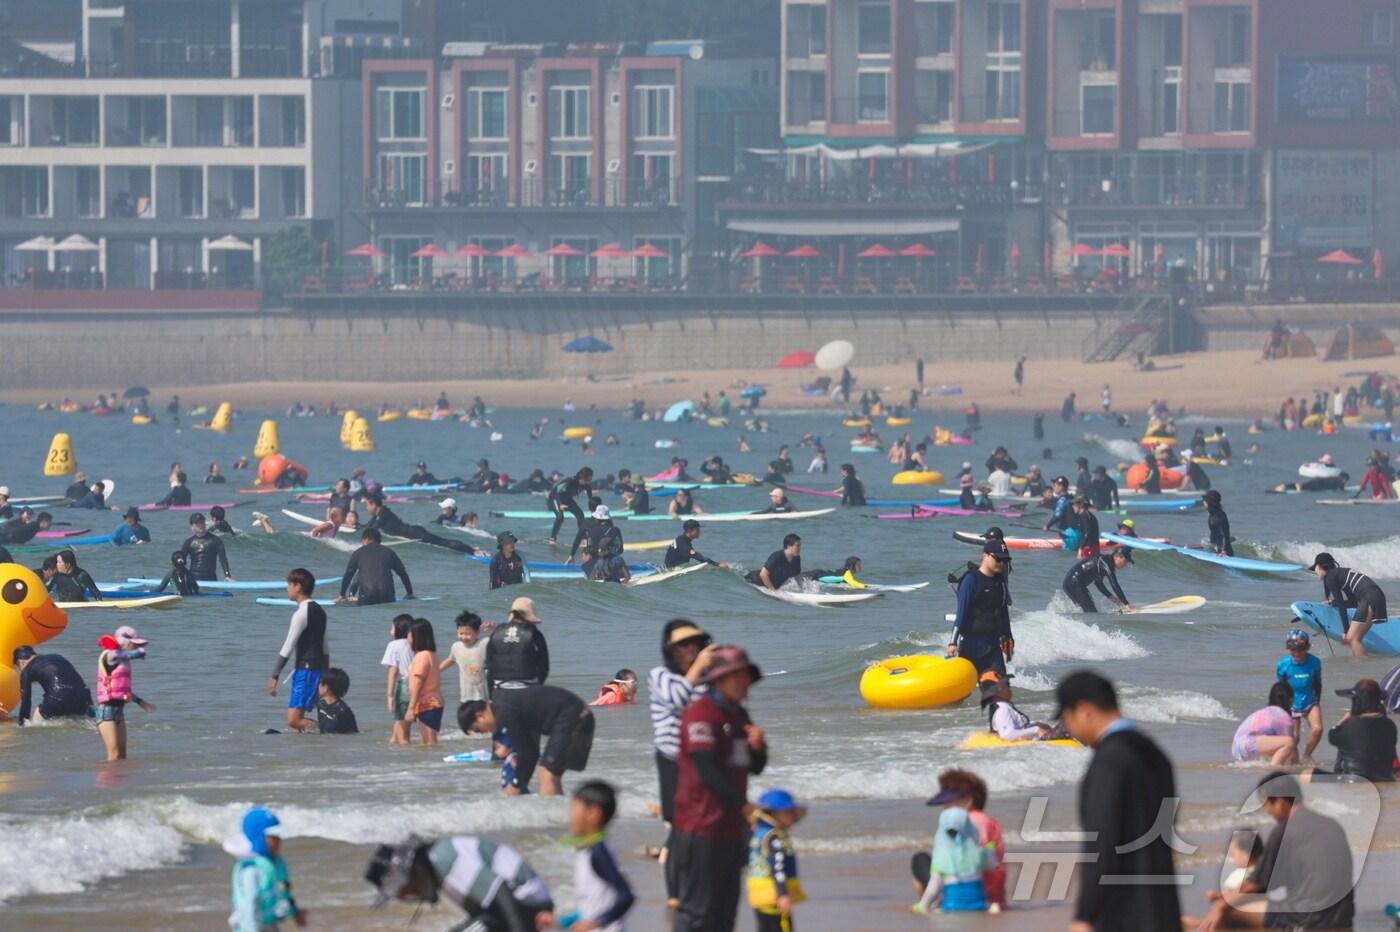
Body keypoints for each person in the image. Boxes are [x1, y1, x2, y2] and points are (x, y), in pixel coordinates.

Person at [1056, 670, 1181, 931]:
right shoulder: (1156, 754)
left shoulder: (1108, 761)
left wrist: (1085, 915)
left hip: (1122, 915)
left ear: (1083, 709)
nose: (1068, 728)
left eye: (1066, 719)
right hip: (1163, 910)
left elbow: (1103, 844)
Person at [672, 646, 767, 932]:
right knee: (697, 913)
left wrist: (759, 747)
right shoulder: (700, 712)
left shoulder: (739, 715)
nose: (744, 683)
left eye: (746, 676)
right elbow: (707, 772)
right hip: (700, 827)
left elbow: (755, 766)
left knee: (725, 914)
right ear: (719, 680)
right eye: (737, 676)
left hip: (731, 830)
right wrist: (744, 805)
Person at [1191, 773, 1354, 930]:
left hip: (1310, 921)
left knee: (1230, 912)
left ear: (1281, 802)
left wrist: (1221, 905)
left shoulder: (1284, 831)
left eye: (1267, 806)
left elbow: (1256, 885)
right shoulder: (1332, 825)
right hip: (1343, 918)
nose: (1269, 813)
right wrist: (1227, 896)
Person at [649, 621, 717, 907]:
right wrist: (699, 667)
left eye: (694, 643)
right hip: (673, 761)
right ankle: (675, 894)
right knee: (678, 827)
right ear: (671, 650)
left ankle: (700, 886)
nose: (690, 649)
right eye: (682, 645)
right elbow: (679, 698)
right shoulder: (660, 675)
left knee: (704, 825)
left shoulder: (707, 679)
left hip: (704, 761)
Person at [364, 834, 554, 929]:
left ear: (412, 872)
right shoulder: (440, 865)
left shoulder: (444, 858)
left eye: (406, 890)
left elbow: (500, 892)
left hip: (526, 906)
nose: (412, 896)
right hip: (512, 910)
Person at [459, 683, 594, 796]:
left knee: (547, 775)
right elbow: (530, 751)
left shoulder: (504, 713)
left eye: (478, 729)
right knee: (550, 775)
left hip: (575, 718)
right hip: (576, 715)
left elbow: (528, 754)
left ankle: (554, 821)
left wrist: (516, 784)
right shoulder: (502, 705)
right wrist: (519, 782)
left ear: (480, 716)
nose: (483, 733)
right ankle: (561, 819)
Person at [917, 769, 1006, 911]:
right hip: (994, 894)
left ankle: (932, 902)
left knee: (919, 860)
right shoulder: (987, 821)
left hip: (976, 890)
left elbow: (970, 858)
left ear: (967, 801)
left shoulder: (972, 822)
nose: (944, 808)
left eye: (947, 804)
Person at [565, 781, 636, 932]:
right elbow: (589, 905)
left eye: (575, 808)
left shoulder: (598, 853)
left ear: (593, 814)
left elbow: (626, 896)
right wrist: (561, 921)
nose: (570, 814)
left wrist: (598, 922)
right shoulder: (588, 850)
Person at [266, 569, 328, 735]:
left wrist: (274, 676)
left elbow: (288, 646)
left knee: (294, 720)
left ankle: (330, 731)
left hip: (306, 671)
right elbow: (325, 645)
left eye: (289, 585)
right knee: (299, 722)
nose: (287, 589)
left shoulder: (301, 614)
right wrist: (325, 672)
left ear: (298, 587)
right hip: (317, 668)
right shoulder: (320, 610)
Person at [225, 807, 304, 932]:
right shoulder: (251, 871)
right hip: (249, 926)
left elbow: (285, 889)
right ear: (258, 838)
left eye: (279, 836)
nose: (279, 841)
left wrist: (294, 912)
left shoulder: (277, 863)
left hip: (269, 924)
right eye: (273, 837)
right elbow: (249, 907)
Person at [949, 541, 1015, 677]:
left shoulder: (1000, 582)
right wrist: (952, 642)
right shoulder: (970, 580)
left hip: (993, 645)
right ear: (984, 555)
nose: (1001, 563)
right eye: (998, 558)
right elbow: (961, 613)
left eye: (1004, 560)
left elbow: (1003, 611)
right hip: (971, 644)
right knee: (968, 689)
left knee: (1000, 687)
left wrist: (1008, 636)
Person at [912, 806, 990, 914]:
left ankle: (935, 903)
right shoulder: (977, 853)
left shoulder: (941, 859)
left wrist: (923, 905)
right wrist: (988, 852)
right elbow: (991, 866)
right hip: (979, 906)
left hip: (951, 907)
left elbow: (934, 886)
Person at [748, 788, 807, 931]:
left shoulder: (758, 834)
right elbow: (778, 868)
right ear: (774, 814)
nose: (793, 817)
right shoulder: (775, 838)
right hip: (774, 898)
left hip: (760, 897)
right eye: (789, 812)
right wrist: (783, 895)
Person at [1310, 551, 1389, 658]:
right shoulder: (1341, 573)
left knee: (1351, 638)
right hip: (1377, 596)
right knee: (1356, 639)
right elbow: (1353, 603)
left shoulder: (1330, 577)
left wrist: (1345, 631)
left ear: (1319, 566)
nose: (1315, 572)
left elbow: (1342, 605)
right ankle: (1362, 664)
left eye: (1315, 568)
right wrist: (1333, 602)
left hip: (1368, 598)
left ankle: (1360, 667)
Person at [95, 625, 154, 761]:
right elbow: (128, 654)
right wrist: (139, 651)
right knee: (114, 753)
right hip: (105, 712)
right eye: (132, 644)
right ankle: (107, 781)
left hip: (118, 711)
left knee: (122, 755)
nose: (133, 646)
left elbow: (121, 689)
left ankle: (120, 780)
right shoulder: (110, 654)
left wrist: (140, 702)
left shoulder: (124, 661)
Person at [1327, 677, 1397, 782]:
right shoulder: (1390, 725)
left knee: (1308, 774)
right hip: (1385, 780)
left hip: (1352, 782)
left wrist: (1347, 717)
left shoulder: (1349, 726)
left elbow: (1332, 736)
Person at [362, 493, 477, 554]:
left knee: (443, 542)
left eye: (367, 505)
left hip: (415, 533)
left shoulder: (383, 513)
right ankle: (471, 548)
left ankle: (472, 550)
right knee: (443, 541)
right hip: (413, 532)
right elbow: (368, 527)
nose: (366, 508)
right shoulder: (378, 514)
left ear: (374, 505)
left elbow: (373, 530)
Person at [10, 646, 91, 725]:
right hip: (84, 697)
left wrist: (22, 724)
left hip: (58, 697)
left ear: (20, 662)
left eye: (18, 667)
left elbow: (26, 701)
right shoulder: (58, 657)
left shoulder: (26, 670)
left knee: (33, 724)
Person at [1276, 629, 1324, 759]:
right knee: (1294, 738)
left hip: (1310, 701)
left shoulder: (1315, 662)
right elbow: (1280, 687)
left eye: (1300, 649)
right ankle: (1294, 763)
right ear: (1288, 649)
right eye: (1293, 650)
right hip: (1291, 704)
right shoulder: (1283, 665)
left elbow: (1318, 684)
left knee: (1317, 729)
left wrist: (1317, 702)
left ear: (1307, 647)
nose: (1297, 653)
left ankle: (1307, 755)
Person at [486, 597, 549, 692]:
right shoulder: (535, 634)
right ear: (530, 615)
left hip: (500, 691)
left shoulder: (497, 632)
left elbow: (489, 665)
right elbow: (544, 667)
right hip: (527, 691)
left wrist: (492, 696)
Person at [338, 529, 413, 605]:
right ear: (379, 541)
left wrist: (342, 594)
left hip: (367, 597)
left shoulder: (358, 553)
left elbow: (348, 575)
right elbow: (403, 574)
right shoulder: (389, 553)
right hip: (387, 596)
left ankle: (351, 598)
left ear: (366, 540)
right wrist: (409, 593)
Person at [1231, 682, 1298, 765]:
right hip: (1248, 744)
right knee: (1289, 742)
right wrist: (1298, 767)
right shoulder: (1283, 717)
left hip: (1236, 749)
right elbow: (1291, 750)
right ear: (1290, 701)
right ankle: (1273, 772)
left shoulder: (1264, 712)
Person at [980, 671, 1055, 742]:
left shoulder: (1003, 706)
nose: (1010, 687)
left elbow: (1018, 726)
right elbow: (1007, 735)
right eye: (1007, 684)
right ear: (997, 691)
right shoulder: (1002, 709)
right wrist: (1036, 730)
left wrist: (1036, 724)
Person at [405, 618, 444, 745]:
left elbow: (418, 683)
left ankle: (432, 764)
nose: (407, 637)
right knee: (429, 742)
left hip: (427, 704)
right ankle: (430, 763)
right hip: (432, 703)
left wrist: (411, 708)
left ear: (417, 636)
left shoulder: (421, 656)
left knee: (428, 743)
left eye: (409, 634)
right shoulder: (431, 654)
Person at [1062, 549, 1134, 614]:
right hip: (1074, 584)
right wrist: (1126, 604)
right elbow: (1114, 584)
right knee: (1091, 612)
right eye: (1125, 561)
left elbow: (1098, 583)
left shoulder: (1103, 562)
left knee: (1086, 611)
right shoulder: (1106, 564)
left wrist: (1111, 597)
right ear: (1117, 557)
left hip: (1069, 584)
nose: (1125, 564)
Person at [381, 614, 415, 745]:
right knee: (399, 724)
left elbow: (393, 670)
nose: (390, 631)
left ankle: (410, 757)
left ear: (398, 629)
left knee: (403, 734)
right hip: (417, 686)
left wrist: (389, 695)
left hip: (404, 686)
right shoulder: (413, 644)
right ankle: (394, 748)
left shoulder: (394, 645)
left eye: (392, 628)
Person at [442, 610, 488, 705]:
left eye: (468, 634)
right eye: (461, 633)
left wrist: (493, 628)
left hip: (483, 695)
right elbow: (450, 660)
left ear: (477, 632)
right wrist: (435, 670)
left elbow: (499, 640)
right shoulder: (456, 647)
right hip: (465, 695)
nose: (464, 637)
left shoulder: (483, 644)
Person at [548, 467, 594, 553]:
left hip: (567, 499)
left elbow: (590, 496)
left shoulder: (586, 485)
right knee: (560, 517)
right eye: (590, 477)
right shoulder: (570, 481)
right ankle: (552, 538)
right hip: (555, 498)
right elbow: (556, 490)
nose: (591, 479)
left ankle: (583, 539)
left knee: (580, 515)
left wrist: (594, 507)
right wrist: (560, 504)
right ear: (585, 477)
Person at [581, 504, 629, 583]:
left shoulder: (592, 531)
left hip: (597, 564)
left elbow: (590, 550)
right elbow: (620, 550)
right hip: (615, 565)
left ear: (598, 519)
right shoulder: (616, 530)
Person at [182, 514, 232, 581]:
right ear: (192, 526)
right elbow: (181, 560)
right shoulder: (188, 542)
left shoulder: (216, 540)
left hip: (211, 578)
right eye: (197, 523)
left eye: (202, 522)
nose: (200, 525)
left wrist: (227, 575)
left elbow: (223, 559)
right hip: (193, 579)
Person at [316, 667, 359, 735]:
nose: (318, 685)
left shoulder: (342, 711)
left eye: (320, 683)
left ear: (326, 688)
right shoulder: (321, 704)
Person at [1204, 490, 1233, 556]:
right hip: (1217, 549)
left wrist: (1224, 551)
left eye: (1205, 501)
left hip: (1224, 553)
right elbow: (1215, 534)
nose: (1203, 503)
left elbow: (1224, 535)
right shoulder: (1213, 514)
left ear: (1209, 503)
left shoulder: (1218, 517)